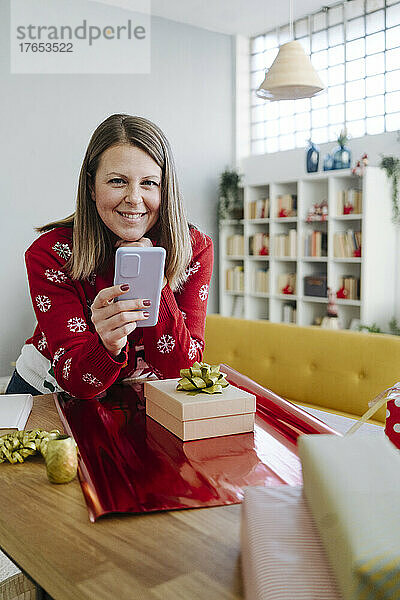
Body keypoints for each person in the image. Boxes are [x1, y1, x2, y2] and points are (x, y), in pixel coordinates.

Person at [6, 114, 213, 399]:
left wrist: (157, 283)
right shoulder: (50, 254)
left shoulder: (193, 249)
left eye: (149, 183)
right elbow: (76, 381)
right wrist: (107, 344)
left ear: (167, 188)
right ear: (91, 187)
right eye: (118, 181)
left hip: (139, 395)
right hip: (49, 392)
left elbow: (182, 372)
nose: (134, 198)